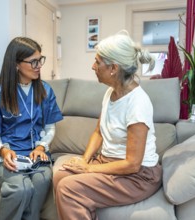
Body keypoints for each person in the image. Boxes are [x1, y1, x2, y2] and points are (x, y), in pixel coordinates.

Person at [53, 30, 162, 220]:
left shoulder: (137, 103)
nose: (93, 66)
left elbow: (132, 164)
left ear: (113, 68)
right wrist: (84, 160)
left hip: (137, 176)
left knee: (68, 188)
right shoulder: (111, 93)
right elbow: (98, 132)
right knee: (60, 175)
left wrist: (88, 170)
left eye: (97, 62)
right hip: (109, 163)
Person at [0, 37, 63, 220]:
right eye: (33, 61)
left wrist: (41, 146)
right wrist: (3, 149)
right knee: (20, 187)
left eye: (40, 60)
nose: (39, 65)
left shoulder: (45, 91)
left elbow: (50, 127)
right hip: (7, 154)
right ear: (16, 64)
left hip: (36, 152)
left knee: (42, 180)